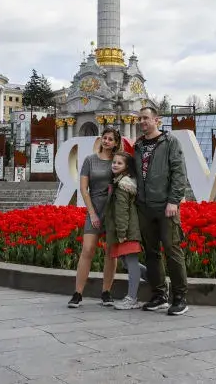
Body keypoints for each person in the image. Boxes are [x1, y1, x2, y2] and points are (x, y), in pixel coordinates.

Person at [134, 105, 189, 315]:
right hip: (144, 207)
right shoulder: (139, 146)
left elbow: (179, 173)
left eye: (146, 118)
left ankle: (180, 297)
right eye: (140, 118)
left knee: (172, 250)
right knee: (151, 252)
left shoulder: (170, 142)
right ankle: (159, 295)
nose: (142, 122)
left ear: (157, 120)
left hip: (166, 206)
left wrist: (174, 201)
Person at [67, 127, 120, 308]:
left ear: (115, 143)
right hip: (94, 209)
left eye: (110, 139)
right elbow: (83, 188)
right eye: (104, 138)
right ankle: (77, 293)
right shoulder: (90, 160)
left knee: (111, 253)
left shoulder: (118, 161)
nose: (106, 141)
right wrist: (92, 213)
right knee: (88, 249)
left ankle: (106, 292)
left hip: (112, 211)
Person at [104, 151, 144, 310]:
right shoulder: (120, 182)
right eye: (114, 162)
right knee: (127, 262)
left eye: (119, 163)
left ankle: (132, 298)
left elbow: (122, 212)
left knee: (131, 262)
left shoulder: (122, 185)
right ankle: (158, 282)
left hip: (126, 231)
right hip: (127, 229)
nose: (115, 165)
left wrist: (121, 233)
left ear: (127, 167)